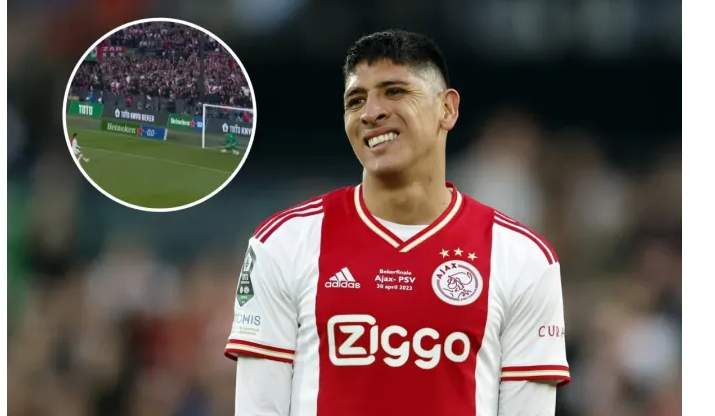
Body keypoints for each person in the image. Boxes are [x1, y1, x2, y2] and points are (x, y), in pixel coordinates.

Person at [224, 29, 570, 416]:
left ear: (447, 109)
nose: (371, 112)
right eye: (356, 100)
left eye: (395, 91)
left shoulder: (523, 258)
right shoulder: (283, 243)